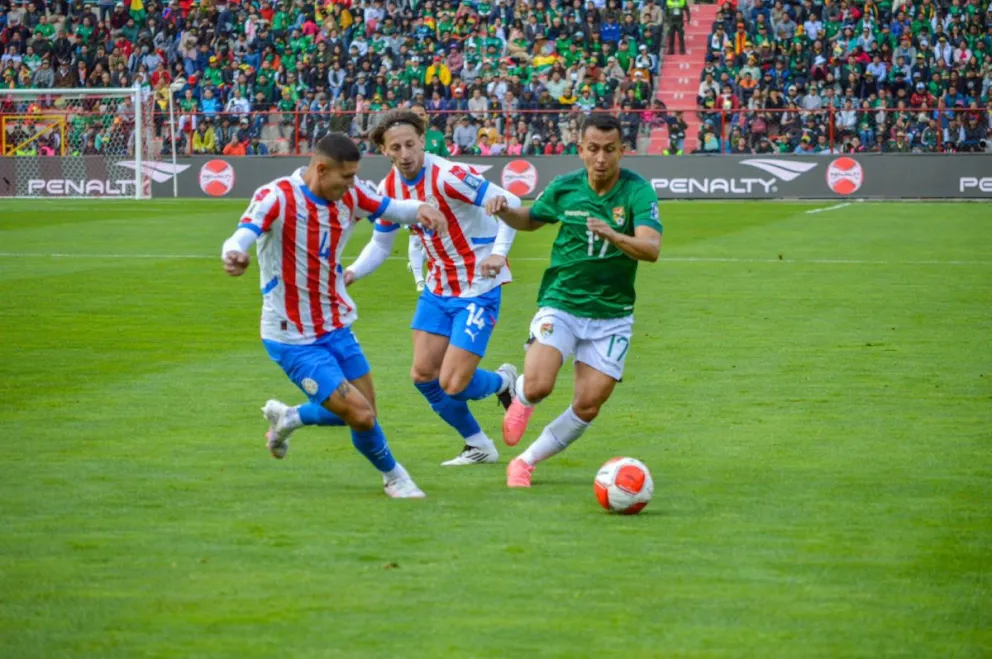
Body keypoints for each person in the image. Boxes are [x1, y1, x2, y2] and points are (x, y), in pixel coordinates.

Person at [220, 133, 448, 499]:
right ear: (322, 169)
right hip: (292, 336)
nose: (352, 183)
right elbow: (241, 235)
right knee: (360, 415)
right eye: (347, 176)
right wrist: (234, 253)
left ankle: (290, 417)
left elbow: (392, 208)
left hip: (336, 324)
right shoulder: (277, 196)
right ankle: (395, 477)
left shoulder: (351, 195)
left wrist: (422, 208)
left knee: (366, 411)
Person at [484, 114, 663, 488]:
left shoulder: (637, 191)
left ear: (622, 151)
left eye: (610, 150)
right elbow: (530, 219)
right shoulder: (565, 187)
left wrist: (614, 235)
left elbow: (651, 249)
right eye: (593, 149)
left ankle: (525, 462)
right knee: (539, 386)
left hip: (612, 314)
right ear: (580, 149)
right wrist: (505, 212)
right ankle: (520, 395)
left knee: (588, 405)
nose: (601, 158)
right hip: (562, 301)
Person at [346, 109, 521, 466]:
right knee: (424, 376)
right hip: (438, 288)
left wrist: (499, 253)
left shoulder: (448, 176)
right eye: (396, 147)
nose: (405, 154)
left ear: (423, 141)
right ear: (384, 150)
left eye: (411, 144)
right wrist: (351, 273)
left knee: (453, 383)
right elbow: (380, 244)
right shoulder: (389, 189)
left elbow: (512, 202)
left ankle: (504, 382)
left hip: (477, 286)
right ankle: (478, 445)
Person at [404, 102, 451, 292]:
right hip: (413, 192)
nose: (418, 117)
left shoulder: (436, 137)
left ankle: (418, 261)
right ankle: (419, 280)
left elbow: (446, 163)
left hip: (435, 193)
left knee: (434, 235)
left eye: (421, 114)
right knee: (415, 237)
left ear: (427, 116)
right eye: (414, 114)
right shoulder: (404, 139)